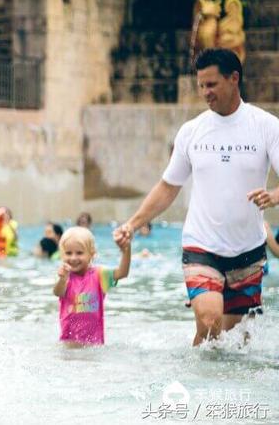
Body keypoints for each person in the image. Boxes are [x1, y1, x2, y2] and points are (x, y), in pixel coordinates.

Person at [114, 48, 279, 346]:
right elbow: (168, 186)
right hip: (201, 244)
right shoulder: (192, 131)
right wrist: (132, 224)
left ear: (234, 79)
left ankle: (208, 383)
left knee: (228, 339)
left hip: (248, 249)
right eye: (201, 85)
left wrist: (274, 195)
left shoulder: (266, 126)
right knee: (210, 318)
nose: (205, 92)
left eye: (212, 84)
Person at [52, 227, 130, 347]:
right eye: (68, 253)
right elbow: (57, 292)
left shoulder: (99, 275)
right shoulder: (65, 277)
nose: (73, 258)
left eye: (79, 253)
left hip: (94, 343)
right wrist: (62, 279)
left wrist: (126, 250)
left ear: (91, 254)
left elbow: (122, 273)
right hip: (69, 343)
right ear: (62, 255)